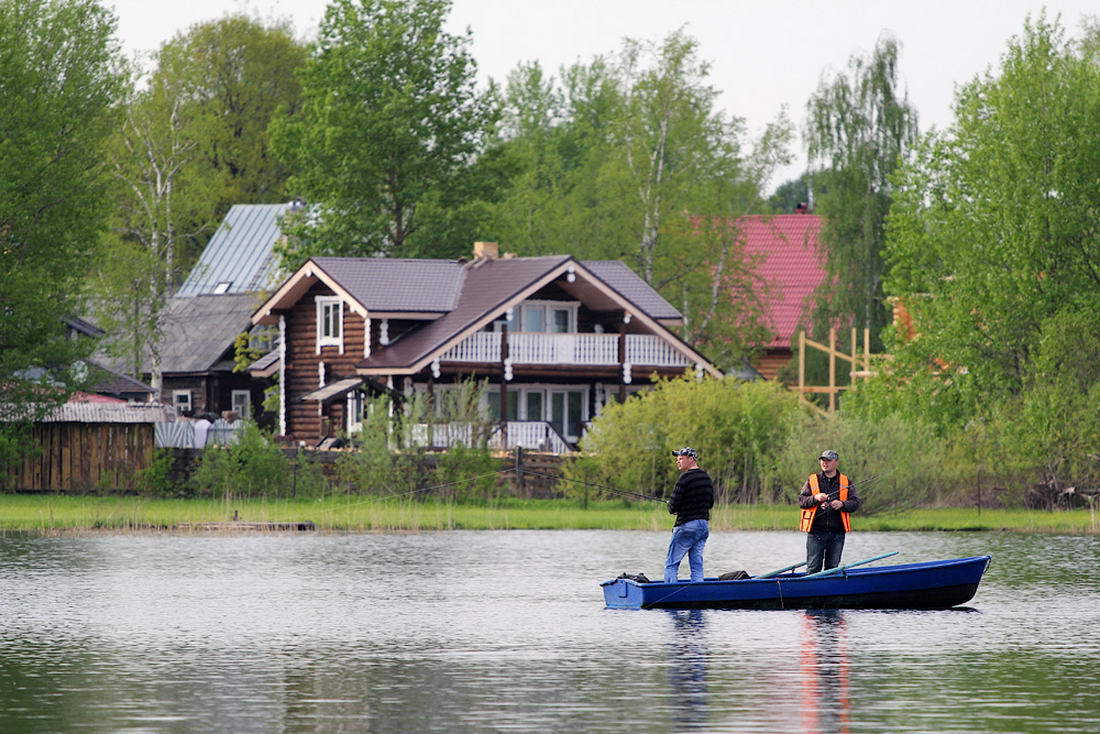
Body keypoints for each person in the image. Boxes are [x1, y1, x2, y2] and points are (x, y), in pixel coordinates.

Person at [798, 449, 861, 574]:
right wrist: (815, 498)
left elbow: (855, 503)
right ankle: (812, 592)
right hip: (816, 533)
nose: (824, 463)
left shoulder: (846, 481)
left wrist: (842, 504)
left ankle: (829, 592)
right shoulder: (812, 480)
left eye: (828, 460)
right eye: (823, 460)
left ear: (836, 462)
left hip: (837, 534)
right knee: (813, 569)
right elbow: (802, 501)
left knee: (832, 569)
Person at [664, 447, 715, 582]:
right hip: (703, 526)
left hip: (686, 525)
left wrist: (672, 507)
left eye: (681, 459)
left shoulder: (684, 478)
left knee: (671, 564)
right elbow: (710, 503)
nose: (678, 462)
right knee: (697, 564)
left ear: (691, 459)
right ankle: (699, 594)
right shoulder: (706, 477)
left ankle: (670, 597)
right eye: (677, 459)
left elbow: (673, 506)